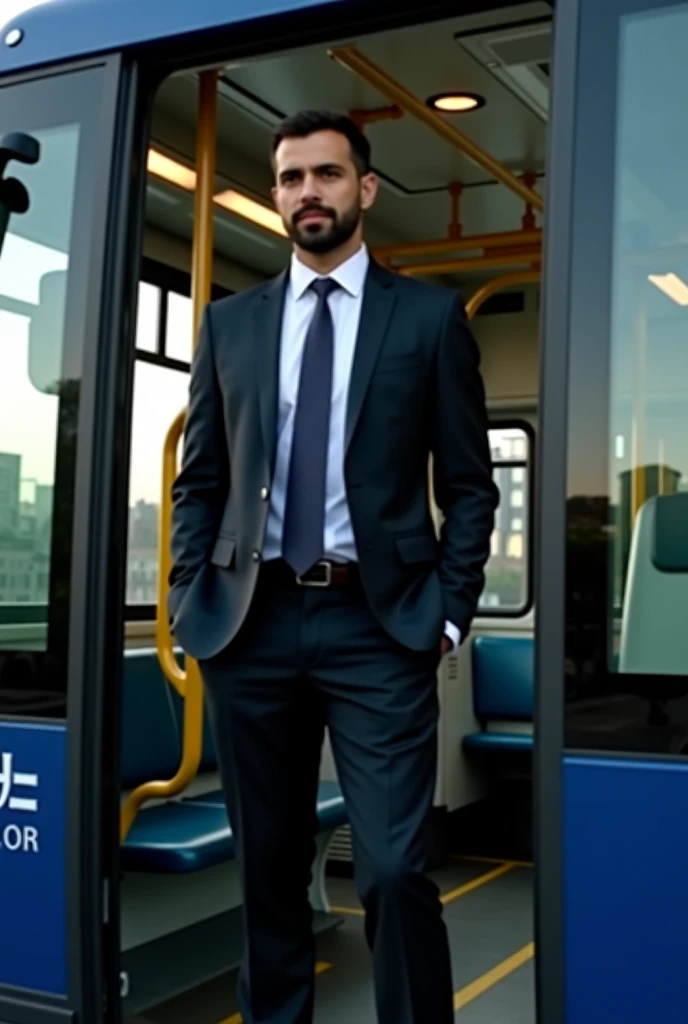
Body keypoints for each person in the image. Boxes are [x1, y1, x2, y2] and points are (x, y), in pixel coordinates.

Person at [168, 109, 498, 1024]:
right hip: (251, 623)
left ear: (366, 188)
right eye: (290, 178)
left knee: (392, 869)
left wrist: (448, 612)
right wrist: (192, 596)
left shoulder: (428, 320)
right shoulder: (230, 325)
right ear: (276, 195)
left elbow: (471, 486)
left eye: (326, 174)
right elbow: (201, 481)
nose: (307, 192)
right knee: (268, 873)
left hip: (378, 623)